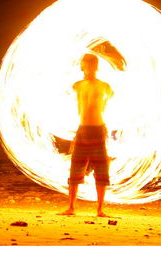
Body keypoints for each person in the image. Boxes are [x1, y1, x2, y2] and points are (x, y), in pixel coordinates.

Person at [60, 53, 114, 217]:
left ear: (96, 67)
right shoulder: (77, 85)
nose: (89, 68)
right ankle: (71, 207)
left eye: (92, 65)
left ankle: (99, 209)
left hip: (98, 129)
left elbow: (110, 98)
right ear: (82, 66)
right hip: (82, 130)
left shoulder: (104, 86)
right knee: (76, 169)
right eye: (86, 65)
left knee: (101, 170)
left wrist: (103, 106)